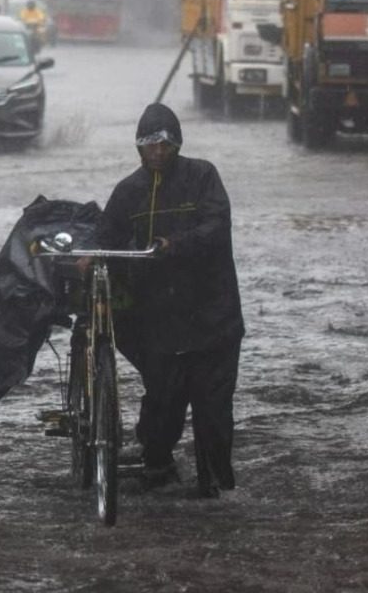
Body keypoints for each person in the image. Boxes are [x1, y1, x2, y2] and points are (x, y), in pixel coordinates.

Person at [95, 103, 244, 499]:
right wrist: (89, 257)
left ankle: (217, 485)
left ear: (177, 143)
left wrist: (174, 246)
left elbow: (216, 225)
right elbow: (107, 238)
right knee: (164, 395)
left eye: (165, 143)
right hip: (158, 317)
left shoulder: (203, 177)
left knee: (213, 405)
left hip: (214, 315)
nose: (158, 151)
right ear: (139, 148)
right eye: (149, 144)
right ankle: (157, 464)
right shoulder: (129, 191)